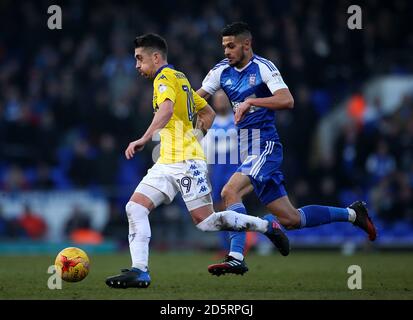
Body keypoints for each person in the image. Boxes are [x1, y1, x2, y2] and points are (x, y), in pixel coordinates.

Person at [105, 33, 290, 289]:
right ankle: (140, 271)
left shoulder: (164, 78)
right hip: (166, 162)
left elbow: (167, 109)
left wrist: (143, 138)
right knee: (135, 208)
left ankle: (267, 226)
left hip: (185, 163)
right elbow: (208, 112)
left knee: (206, 222)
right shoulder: (180, 78)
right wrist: (195, 136)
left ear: (156, 57)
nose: (136, 65)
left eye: (139, 59)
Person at [196, 22, 377, 276]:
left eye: (231, 45)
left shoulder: (263, 68)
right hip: (247, 149)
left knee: (230, 191)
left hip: (265, 145)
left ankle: (236, 257)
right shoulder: (220, 71)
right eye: (224, 46)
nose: (226, 51)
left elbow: (287, 100)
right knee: (292, 219)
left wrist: (251, 101)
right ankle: (352, 214)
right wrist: (175, 107)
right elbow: (197, 98)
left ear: (247, 44)